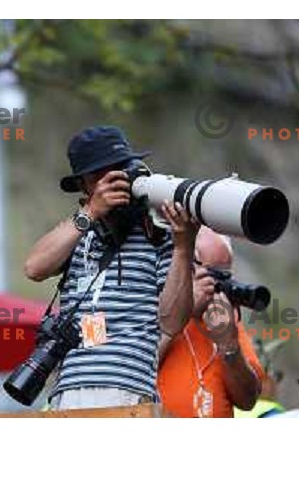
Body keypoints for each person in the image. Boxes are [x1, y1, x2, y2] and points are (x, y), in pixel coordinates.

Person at [24, 125, 198, 410]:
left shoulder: (159, 234)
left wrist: (183, 247)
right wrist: (91, 212)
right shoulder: (78, 231)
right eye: (101, 175)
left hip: (128, 389)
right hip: (68, 392)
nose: (115, 182)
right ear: (84, 185)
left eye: (120, 170)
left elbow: (173, 321)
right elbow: (33, 268)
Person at [157, 226, 264, 417]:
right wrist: (185, 311)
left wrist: (230, 346)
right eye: (212, 273)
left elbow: (248, 400)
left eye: (224, 275)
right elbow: (133, 370)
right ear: (183, 263)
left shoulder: (223, 318)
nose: (217, 284)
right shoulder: (156, 307)